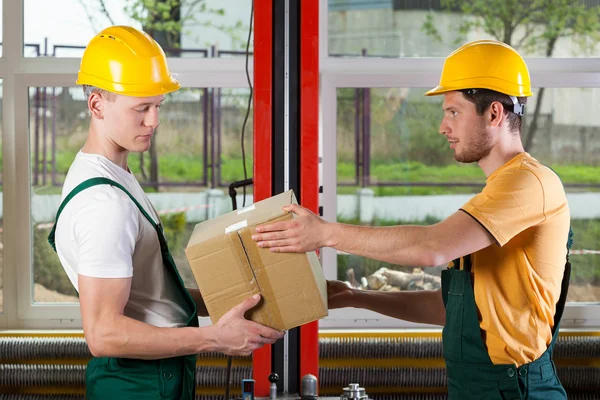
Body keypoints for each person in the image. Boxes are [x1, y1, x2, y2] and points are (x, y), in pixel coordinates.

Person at [253, 40, 572, 400]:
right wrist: (356, 296)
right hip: (478, 387)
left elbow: (431, 247)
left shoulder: (528, 183)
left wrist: (325, 234)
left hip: (518, 390)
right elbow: (454, 310)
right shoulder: (496, 196)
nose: (442, 126)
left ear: (494, 113)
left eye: (453, 112)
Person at [47, 25, 283, 400]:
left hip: (157, 370)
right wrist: (215, 339)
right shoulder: (103, 205)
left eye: (158, 106)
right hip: (138, 382)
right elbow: (103, 333)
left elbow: (149, 296)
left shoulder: (112, 173)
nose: (154, 121)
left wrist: (243, 297)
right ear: (96, 105)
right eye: (141, 108)